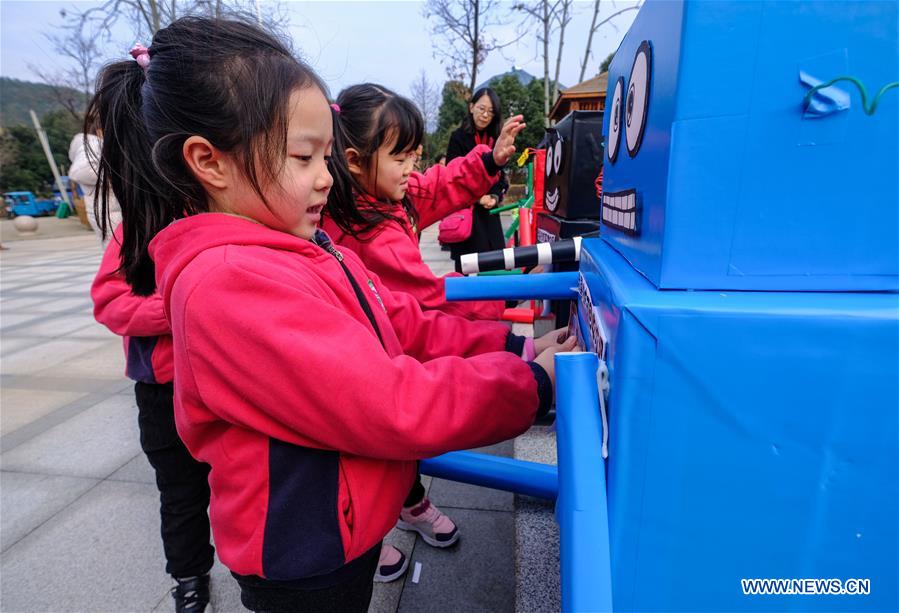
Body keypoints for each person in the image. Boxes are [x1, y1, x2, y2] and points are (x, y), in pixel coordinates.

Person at [88, 17, 575, 612]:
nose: (326, 178)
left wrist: (516, 351)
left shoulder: (300, 246)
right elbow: (390, 403)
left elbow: (399, 321)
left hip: (343, 523)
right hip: (307, 555)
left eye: (326, 156)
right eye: (303, 157)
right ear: (210, 163)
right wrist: (534, 385)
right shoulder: (230, 283)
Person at [322, 83, 526, 322]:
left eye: (412, 156)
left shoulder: (378, 192)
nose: (410, 168)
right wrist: (511, 291)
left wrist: (489, 161)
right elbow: (432, 301)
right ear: (354, 161)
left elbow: (437, 186)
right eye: (400, 159)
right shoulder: (373, 237)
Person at [91, 224, 213, 613]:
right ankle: (189, 576)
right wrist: (181, 306)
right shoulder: (137, 226)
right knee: (180, 492)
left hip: (225, 381)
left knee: (255, 481)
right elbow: (110, 302)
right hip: (164, 388)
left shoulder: (229, 209)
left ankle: (261, 571)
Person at [446, 87, 508, 273]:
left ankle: (498, 302)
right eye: (481, 109)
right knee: (466, 269)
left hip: (489, 212)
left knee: (496, 263)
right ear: (471, 107)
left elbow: (500, 177)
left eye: (490, 112)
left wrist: (495, 197)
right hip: (466, 211)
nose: (485, 115)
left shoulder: (495, 139)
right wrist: (477, 197)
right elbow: (452, 175)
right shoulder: (457, 138)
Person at [68, 125, 121, 246]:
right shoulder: (94, 143)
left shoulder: (93, 144)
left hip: (106, 209)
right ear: (99, 131)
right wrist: (116, 178)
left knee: (116, 253)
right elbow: (80, 172)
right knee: (118, 253)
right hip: (109, 210)